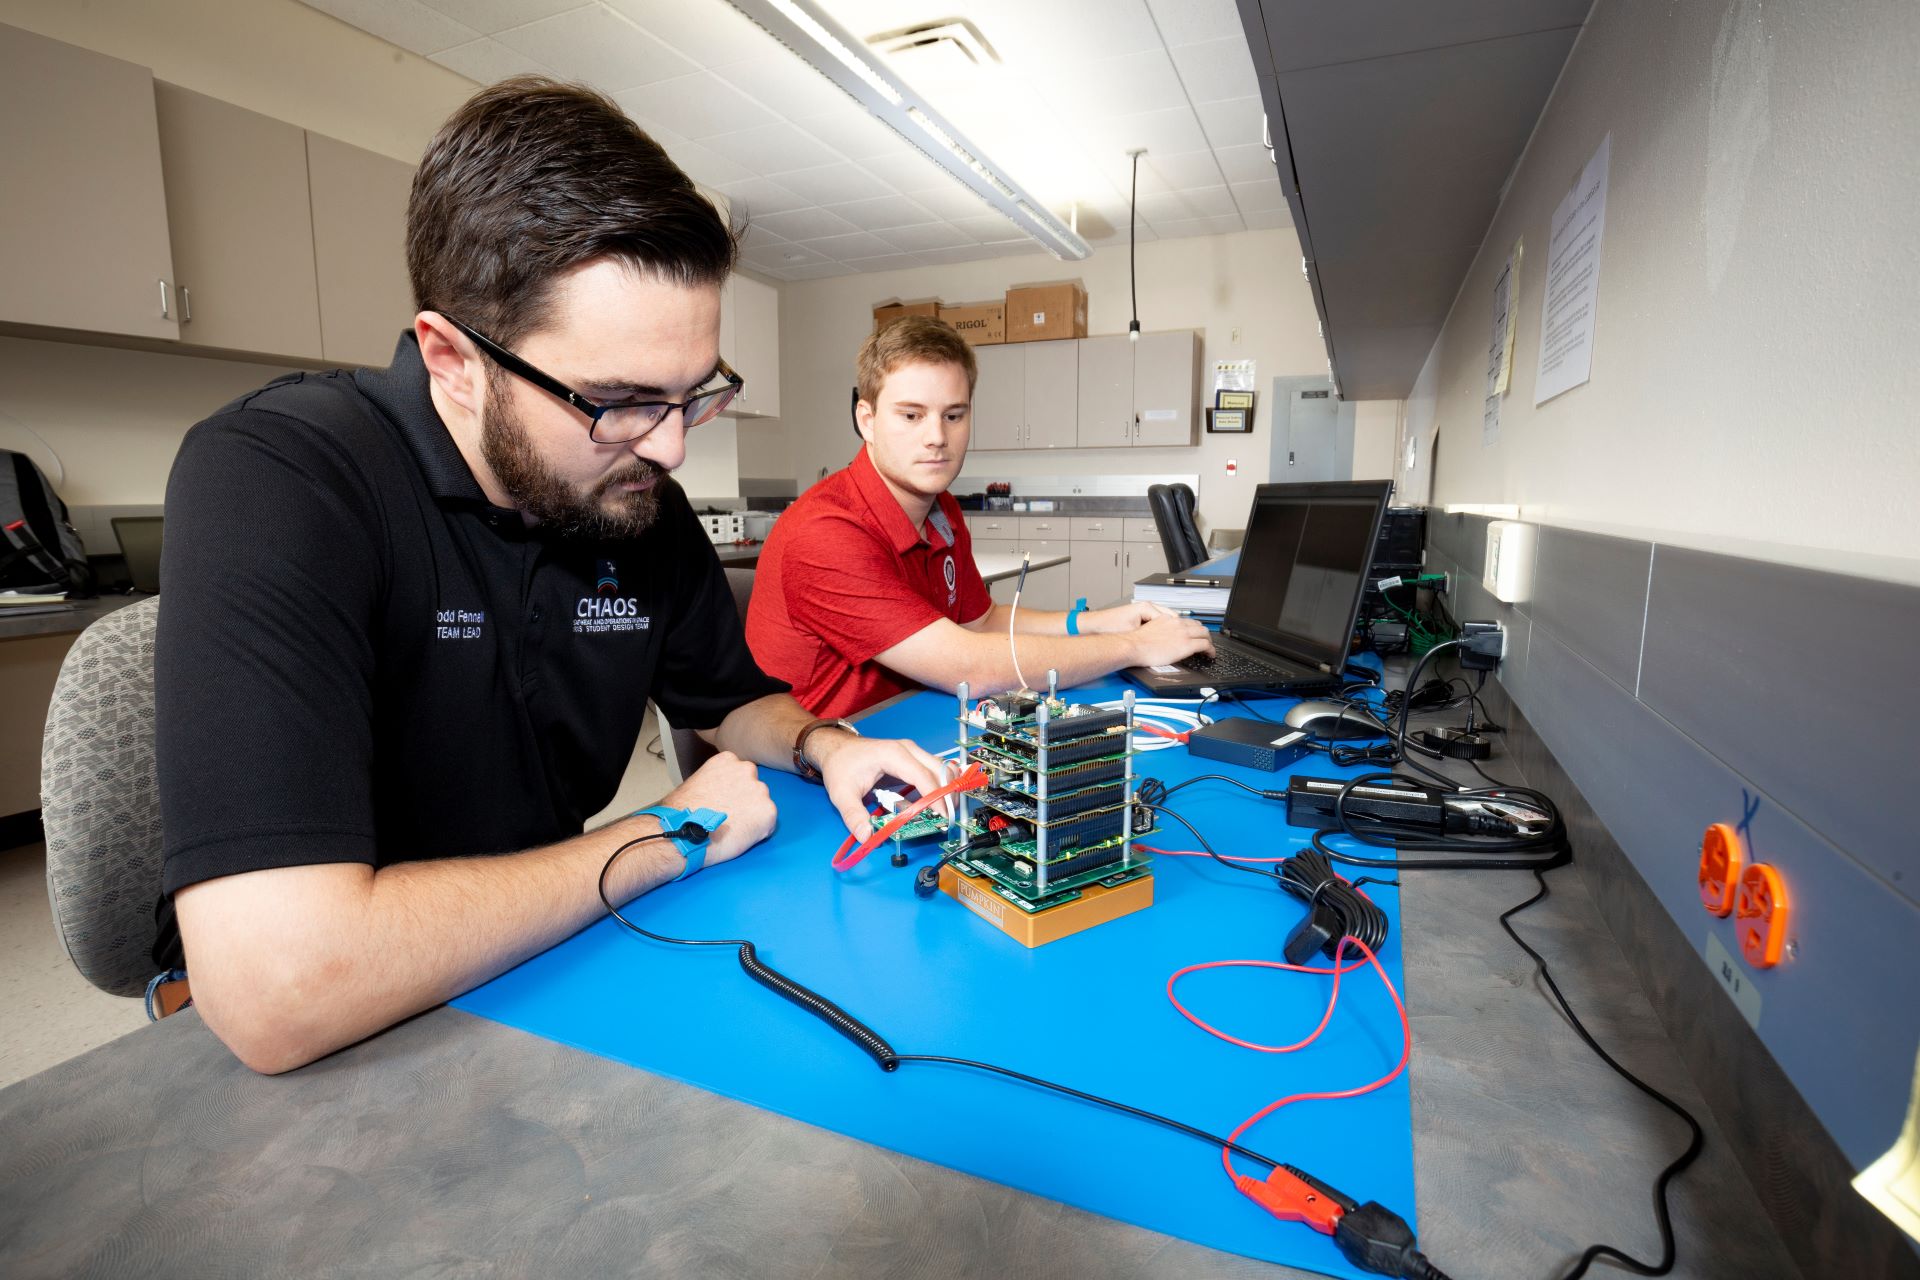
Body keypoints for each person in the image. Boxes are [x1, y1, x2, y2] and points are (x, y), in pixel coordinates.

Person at [152, 77, 947, 1075]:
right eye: (617, 400)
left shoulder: (626, 488)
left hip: (548, 957)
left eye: (691, 395)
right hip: (336, 1049)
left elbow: (728, 696)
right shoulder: (280, 477)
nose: (667, 451)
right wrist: (674, 831)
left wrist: (827, 749)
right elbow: (281, 987)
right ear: (452, 358)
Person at [747, 316, 1213, 718]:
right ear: (866, 419)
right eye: (911, 416)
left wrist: (1096, 622)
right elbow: (967, 664)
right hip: (815, 766)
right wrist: (1134, 648)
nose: (936, 437)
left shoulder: (941, 507)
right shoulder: (826, 531)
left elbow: (982, 622)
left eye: (954, 415)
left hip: (911, 726)